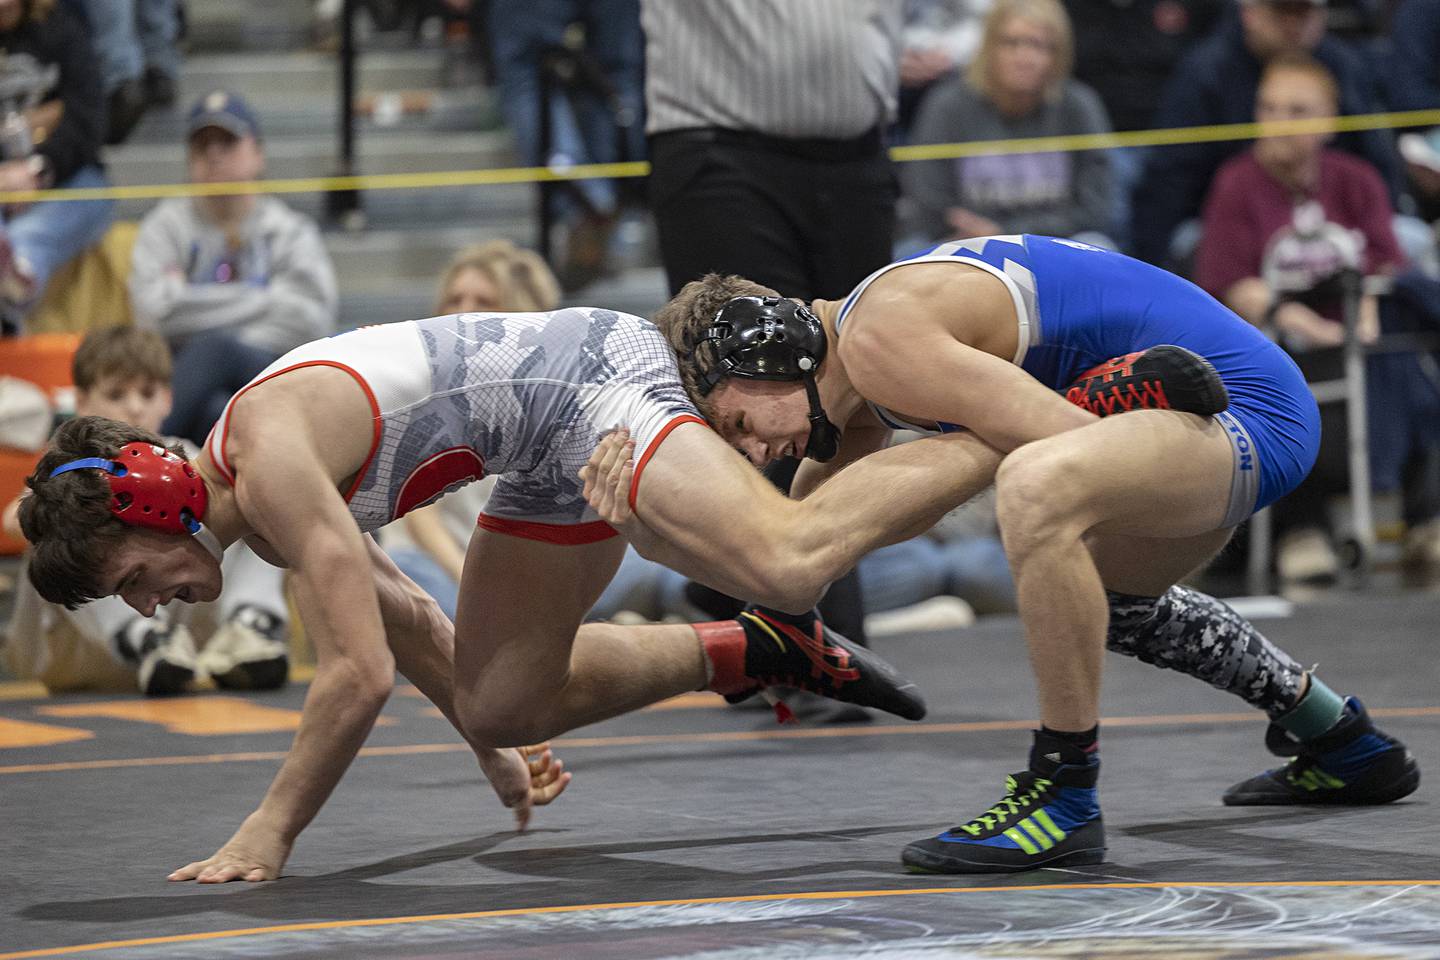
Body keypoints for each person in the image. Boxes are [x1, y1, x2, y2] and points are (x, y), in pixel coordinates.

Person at [16, 295, 1032, 882]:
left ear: (156, 505)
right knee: (503, 701)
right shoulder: (268, 504)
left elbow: (358, 675)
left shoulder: (273, 460)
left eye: (132, 579)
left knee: (790, 560)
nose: (147, 605)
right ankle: (757, 650)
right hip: (542, 446)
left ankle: (1006, 429)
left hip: (596, 380)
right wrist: (490, 749)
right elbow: (410, 620)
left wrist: (270, 830)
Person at [584, 235, 1419, 874]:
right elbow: (800, 554)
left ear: (771, 351)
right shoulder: (857, 386)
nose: (753, 452)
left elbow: (1066, 442)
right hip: (1200, 418)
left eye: (736, 425)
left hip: (1243, 408)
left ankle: (1063, 790)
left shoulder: (879, 339)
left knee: (1036, 487)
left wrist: (1035, 421)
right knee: (1098, 599)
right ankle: (1342, 738)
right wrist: (647, 532)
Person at [641, 0, 904, 655]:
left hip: (859, 157)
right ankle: (814, 647)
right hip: (722, 147)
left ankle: (729, 590)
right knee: (769, 396)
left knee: (860, 385)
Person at [1195, 53, 1440, 583]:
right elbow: (1234, 286)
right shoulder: (1236, 183)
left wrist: (1362, 319)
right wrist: (1314, 327)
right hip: (1284, 342)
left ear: (1329, 120)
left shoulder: (1355, 179)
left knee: (1406, 355)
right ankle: (1301, 528)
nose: (1278, 123)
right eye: (1268, 108)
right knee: (1266, 377)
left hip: (1358, 338)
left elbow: (1385, 266)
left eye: (1296, 110)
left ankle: (1426, 520)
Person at [2, 327, 292, 695]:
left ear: (168, 399)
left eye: (147, 393)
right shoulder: (72, 467)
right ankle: (142, 636)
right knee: (63, 534)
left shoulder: (186, 457)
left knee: (253, 501)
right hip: (77, 652)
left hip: (183, 642)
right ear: (82, 401)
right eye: (116, 394)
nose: (135, 407)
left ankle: (250, 626)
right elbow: (12, 520)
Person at [128, 90, 339, 445]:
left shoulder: (290, 231)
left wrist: (205, 324)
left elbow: (312, 320)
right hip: (190, 378)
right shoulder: (164, 227)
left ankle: (135, 450)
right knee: (217, 409)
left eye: (228, 142)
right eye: (202, 145)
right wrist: (264, 299)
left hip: (275, 370)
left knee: (216, 351)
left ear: (258, 153)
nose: (214, 154)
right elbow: (153, 314)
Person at [1130, 0, 1404, 271]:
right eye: (1282, 12)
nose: (1294, 24)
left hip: (1334, 213)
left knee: (1409, 235)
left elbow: (1377, 162)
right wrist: (1150, 270)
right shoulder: (1206, 72)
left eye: (1305, 13)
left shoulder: (1343, 66)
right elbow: (1170, 177)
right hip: (1224, 216)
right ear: (1249, 14)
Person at [902, 0, 1116, 249]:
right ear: (989, 47)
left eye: (1038, 45)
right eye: (1011, 43)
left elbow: (1097, 208)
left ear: (1058, 54)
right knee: (910, 250)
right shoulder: (947, 105)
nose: (1024, 58)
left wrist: (1006, 233)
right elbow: (927, 199)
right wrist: (974, 234)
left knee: (1097, 245)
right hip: (962, 243)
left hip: (1053, 247)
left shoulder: (1078, 106)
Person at [0, 0, 115, 334]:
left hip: (65, 179)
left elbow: (88, 119)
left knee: (88, 196)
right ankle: (12, 284)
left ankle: (18, 272)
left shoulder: (62, 30)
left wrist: (38, 169)